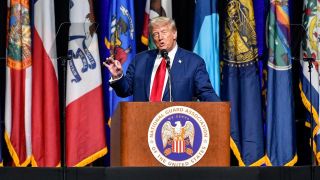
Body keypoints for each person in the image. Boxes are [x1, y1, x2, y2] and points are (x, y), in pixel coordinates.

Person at [104, 16, 220, 102]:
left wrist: (221, 109)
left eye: (164, 32)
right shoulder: (140, 60)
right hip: (143, 124)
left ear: (174, 34)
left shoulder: (193, 62)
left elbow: (205, 92)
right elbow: (125, 90)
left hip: (175, 127)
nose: (160, 38)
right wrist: (118, 76)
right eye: (155, 34)